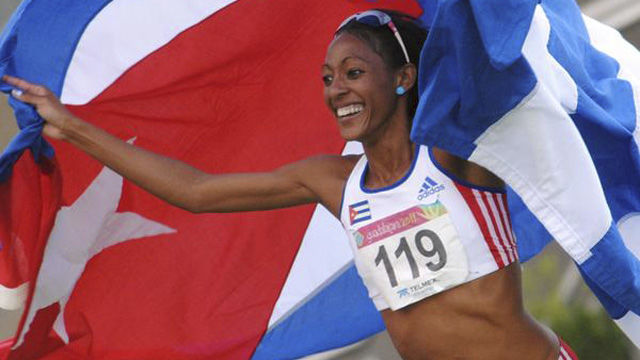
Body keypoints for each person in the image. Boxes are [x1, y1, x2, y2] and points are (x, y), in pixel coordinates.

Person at [3, 9, 579, 360]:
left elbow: (482, 43)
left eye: (354, 73)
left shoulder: (458, 156)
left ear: (405, 78)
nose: (336, 90)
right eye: (329, 78)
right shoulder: (332, 181)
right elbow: (198, 192)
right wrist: (71, 126)